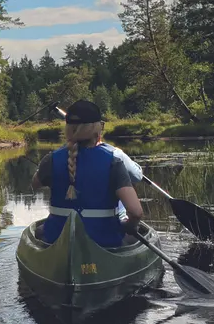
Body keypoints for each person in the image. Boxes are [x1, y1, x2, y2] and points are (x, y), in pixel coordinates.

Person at [31, 99, 144, 246]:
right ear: (99, 128)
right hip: (105, 240)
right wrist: (129, 227)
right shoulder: (114, 162)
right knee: (135, 237)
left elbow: (34, 185)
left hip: (57, 238)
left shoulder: (51, 159)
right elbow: (136, 212)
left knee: (39, 231)